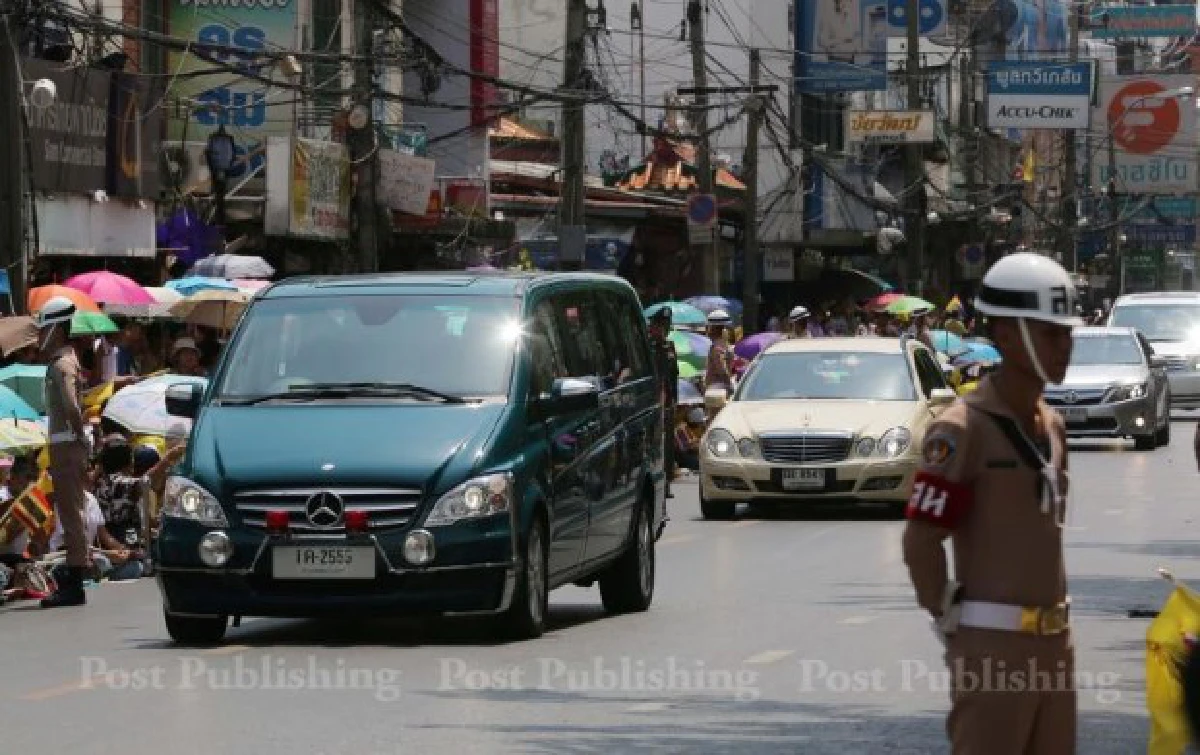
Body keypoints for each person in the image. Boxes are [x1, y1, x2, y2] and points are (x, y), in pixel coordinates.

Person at [902, 252, 1080, 753]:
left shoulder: (1053, 426)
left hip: (1057, 641)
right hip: (993, 648)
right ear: (1005, 335)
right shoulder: (964, 429)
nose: (1064, 347)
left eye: (1067, 333)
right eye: (1049, 334)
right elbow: (922, 539)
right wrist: (948, 619)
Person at [37, 296, 91, 608]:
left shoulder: (62, 364)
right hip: (64, 444)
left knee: (71, 512)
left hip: (67, 445)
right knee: (70, 510)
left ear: (56, 329)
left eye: (44, 329)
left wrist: (79, 435)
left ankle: (75, 582)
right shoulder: (64, 362)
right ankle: (74, 574)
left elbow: (70, 404)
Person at [648, 308, 679, 499]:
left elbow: (673, 375)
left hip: (667, 401)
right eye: (660, 326)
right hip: (653, 403)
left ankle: (666, 482)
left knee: (667, 446)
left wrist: (674, 399)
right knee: (654, 444)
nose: (663, 330)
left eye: (666, 326)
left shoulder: (670, 347)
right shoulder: (648, 348)